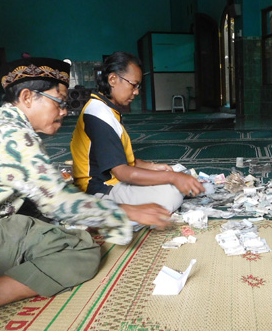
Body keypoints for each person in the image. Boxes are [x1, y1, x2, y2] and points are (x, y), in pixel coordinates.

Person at [0, 57, 171, 329]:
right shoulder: (13, 136)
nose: (64, 112)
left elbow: (39, 196)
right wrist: (126, 212)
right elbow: (58, 202)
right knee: (80, 251)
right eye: (59, 102)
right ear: (27, 97)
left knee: (63, 225)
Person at [71, 51, 204, 212]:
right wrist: (173, 177)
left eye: (138, 86)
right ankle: (110, 213)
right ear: (112, 79)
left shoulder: (104, 108)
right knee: (172, 193)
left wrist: (153, 167)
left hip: (112, 183)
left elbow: (121, 160)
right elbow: (122, 172)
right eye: (133, 85)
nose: (136, 92)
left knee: (172, 181)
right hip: (99, 191)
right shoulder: (99, 114)